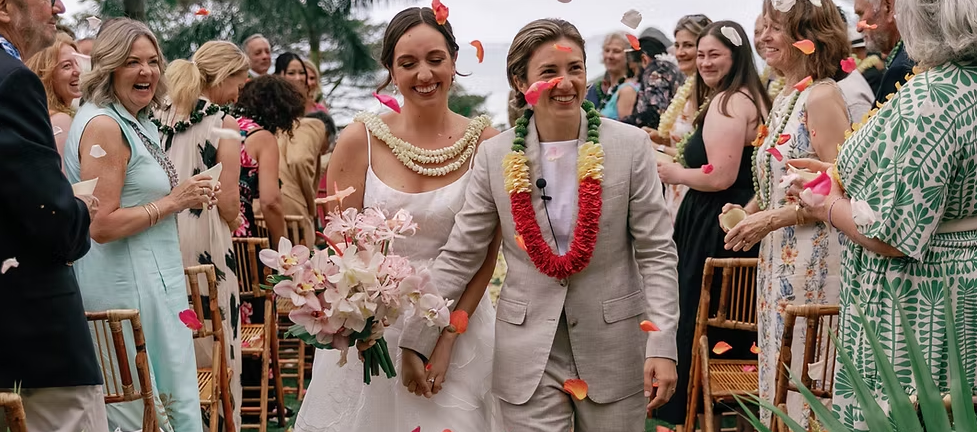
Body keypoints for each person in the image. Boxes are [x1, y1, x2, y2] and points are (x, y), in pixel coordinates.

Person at [396, 17, 680, 432]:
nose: (565, 83)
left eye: (575, 69)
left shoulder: (630, 146)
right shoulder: (494, 156)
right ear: (519, 81)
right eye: (549, 72)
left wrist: (662, 342)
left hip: (614, 349)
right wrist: (417, 338)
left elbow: (656, 253)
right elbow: (462, 254)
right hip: (527, 356)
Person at [295, 7, 502, 431]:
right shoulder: (359, 141)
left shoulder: (487, 143)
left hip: (457, 325)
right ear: (391, 69)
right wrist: (362, 324)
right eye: (408, 63)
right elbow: (341, 251)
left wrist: (444, 341)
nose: (423, 74)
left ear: (454, 60)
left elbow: (485, 258)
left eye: (435, 59)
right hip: (372, 328)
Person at [786, 0, 977, 429]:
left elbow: (893, 234)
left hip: (915, 302)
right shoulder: (966, 83)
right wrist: (840, 175)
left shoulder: (933, 96)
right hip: (959, 281)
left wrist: (826, 205)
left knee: (911, 415)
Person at [63, 18, 212, 431]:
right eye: (132, 62)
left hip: (152, 282)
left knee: (165, 401)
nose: (146, 72)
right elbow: (102, 224)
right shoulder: (105, 126)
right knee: (141, 412)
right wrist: (172, 201)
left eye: (152, 61)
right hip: (126, 290)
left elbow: (142, 195)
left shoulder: (136, 120)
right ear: (109, 67)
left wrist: (187, 195)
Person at [721, 0, 851, 426]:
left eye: (775, 27)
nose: (762, 37)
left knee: (807, 378)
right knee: (780, 373)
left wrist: (774, 219)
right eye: (761, 27)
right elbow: (782, 183)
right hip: (779, 267)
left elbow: (840, 185)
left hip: (815, 265)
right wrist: (749, 210)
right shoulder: (785, 98)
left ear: (808, 36)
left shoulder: (823, 95)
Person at [655, 21, 771, 428]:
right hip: (734, 218)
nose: (704, 62)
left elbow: (719, 175)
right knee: (737, 329)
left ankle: (696, 412)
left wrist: (673, 172)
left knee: (700, 315)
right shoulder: (753, 96)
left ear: (735, 56)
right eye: (700, 54)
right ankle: (736, 417)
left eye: (712, 54)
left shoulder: (728, 102)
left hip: (716, 222)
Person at [0, 0, 106, 430]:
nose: (60, 5)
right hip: (30, 335)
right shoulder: (12, 82)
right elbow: (54, 220)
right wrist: (79, 210)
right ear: (5, 7)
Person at [154, 39, 249, 428]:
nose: (239, 93)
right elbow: (228, 198)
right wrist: (234, 219)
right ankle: (223, 419)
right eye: (239, 84)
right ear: (224, 78)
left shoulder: (155, 114)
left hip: (159, 230)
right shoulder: (224, 125)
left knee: (173, 324)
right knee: (216, 330)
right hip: (206, 236)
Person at [652, 14, 713, 224]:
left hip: (696, 189)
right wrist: (659, 138)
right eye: (677, 45)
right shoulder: (688, 88)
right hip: (676, 185)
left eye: (688, 45)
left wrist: (656, 150)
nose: (680, 52)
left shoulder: (709, 93)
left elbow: (702, 154)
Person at [233, 75, 302, 246]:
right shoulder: (262, 138)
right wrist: (282, 245)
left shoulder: (227, 124)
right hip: (240, 236)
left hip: (210, 227)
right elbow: (270, 202)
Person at [25, 32, 82, 156]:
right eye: (67, 66)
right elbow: (63, 174)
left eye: (78, 63)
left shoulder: (35, 115)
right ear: (46, 74)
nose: (78, 71)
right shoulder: (60, 120)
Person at [852, 0, 915, 105]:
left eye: (861, 14)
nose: (858, 28)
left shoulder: (903, 66)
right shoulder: (907, 55)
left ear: (888, 8)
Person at [619, 36, 685, 129]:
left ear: (644, 59)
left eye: (634, 69)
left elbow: (655, 112)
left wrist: (620, 124)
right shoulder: (672, 69)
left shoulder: (655, 71)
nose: (634, 74)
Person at [585, 32, 631, 113]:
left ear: (629, 55)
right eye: (607, 50)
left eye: (616, 51)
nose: (610, 56)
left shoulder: (631, 88)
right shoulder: (594, 89)